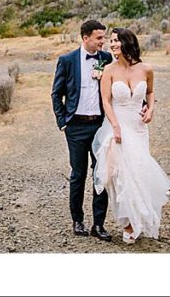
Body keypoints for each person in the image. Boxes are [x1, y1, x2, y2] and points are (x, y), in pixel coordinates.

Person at [92, 27, 170, 244]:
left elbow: (150, 92)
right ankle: (128, 223)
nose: (112, 44)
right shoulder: (108, 70)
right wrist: (115, 126)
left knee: (139, 172)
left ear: (128, 42)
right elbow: (106, 101)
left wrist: (151, 109)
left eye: (116, 40)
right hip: (118, 127)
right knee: (121, 177)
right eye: (111, 41)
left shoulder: (146, 69)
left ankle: (141, 217)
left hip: (138, 128)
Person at [51, 19, 113, 240]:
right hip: (75, 126)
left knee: (101, 174)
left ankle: (99, 225)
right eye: (98, 38)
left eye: (103, 38)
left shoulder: (106, 59)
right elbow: (56, 93)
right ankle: (77, 221)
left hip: (99, 125)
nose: (102, 42)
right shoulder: (67, 60)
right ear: (85, 38)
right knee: (79, 174)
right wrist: (63, 121)